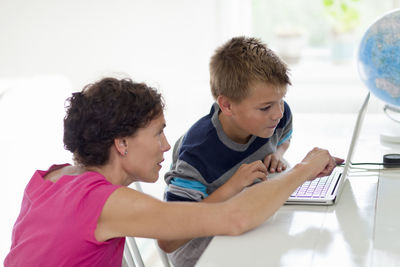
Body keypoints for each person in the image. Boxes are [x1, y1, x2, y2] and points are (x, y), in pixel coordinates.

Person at [4, 77, 341, 267]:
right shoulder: (104, 202)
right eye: (158, 132)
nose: (167, 146)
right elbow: (234, 219)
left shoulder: (53, 178)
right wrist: (303, 169)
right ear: (121, 143)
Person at [158, 36, 304, 266]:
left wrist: (277, 154)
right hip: (200, 250)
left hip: (245, 225)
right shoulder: (197, 154)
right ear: (226, 105)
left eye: (281, 100)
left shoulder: (277, 114)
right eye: (265, 107)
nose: (277, 113)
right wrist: (233, 187)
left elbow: (284, 137)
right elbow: (171, 238)